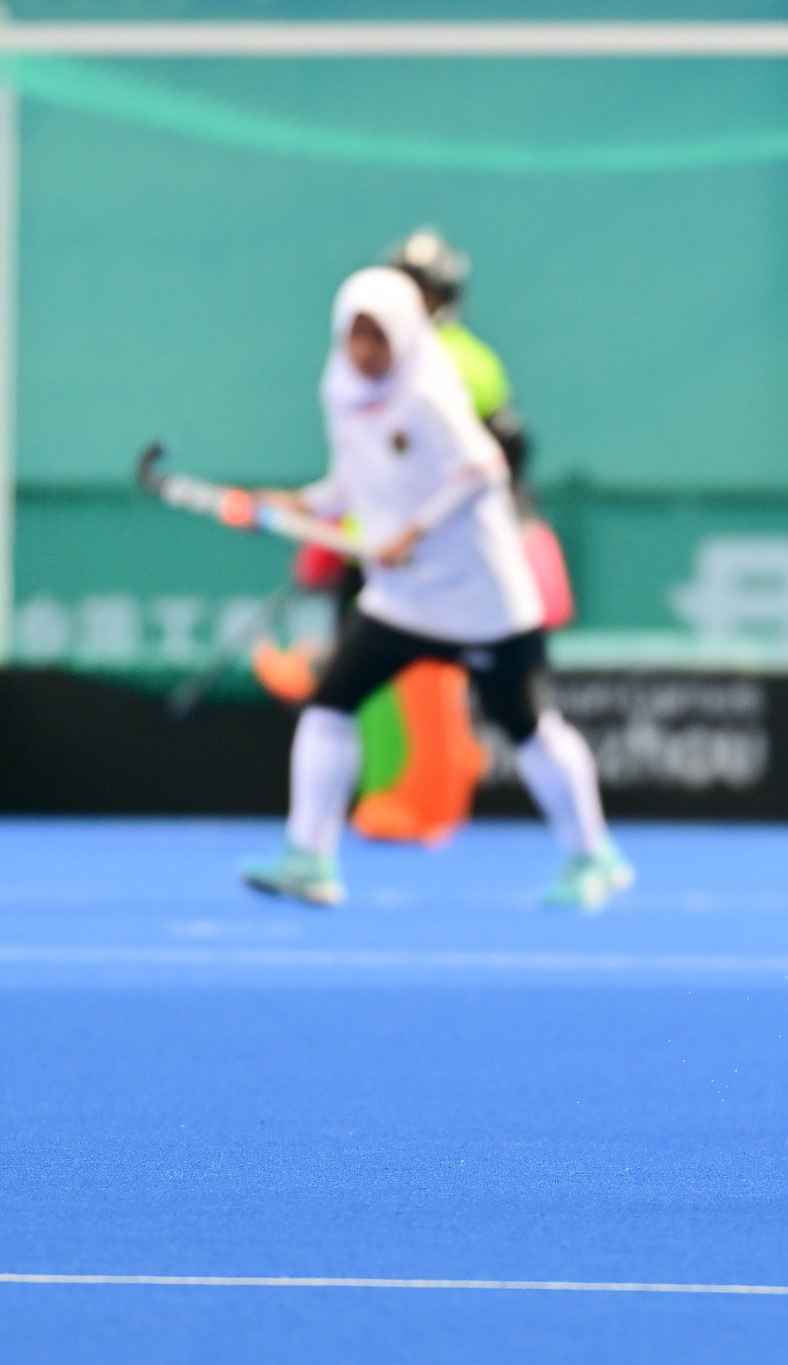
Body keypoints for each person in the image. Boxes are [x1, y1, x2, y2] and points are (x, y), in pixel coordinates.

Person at [240, 267, 630, 911]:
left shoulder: (429, 394)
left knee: (527, 726)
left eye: (378, 338)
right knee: (330, 703)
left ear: (404, 336)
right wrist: (294, 504)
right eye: (354, 337)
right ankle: (309, 857)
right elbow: (352, 484)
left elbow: (483, 468)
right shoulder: (341, 390)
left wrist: (410, 532)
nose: (365, 353)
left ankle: (594, 854)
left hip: (481, 599)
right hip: (403, 600)